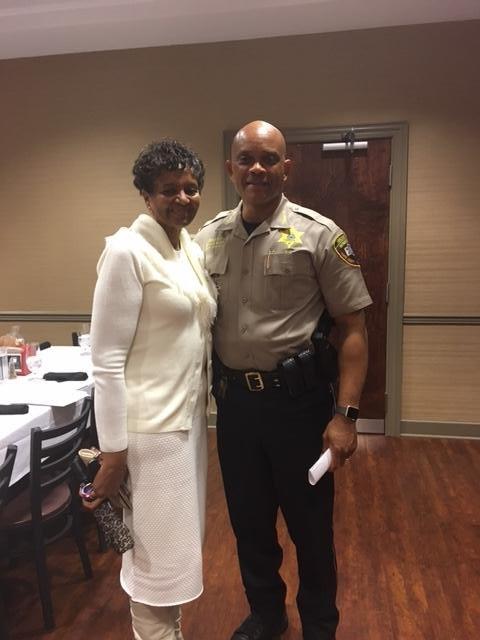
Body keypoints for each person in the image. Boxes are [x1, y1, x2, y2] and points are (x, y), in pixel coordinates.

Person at [195, 121, 372, 640]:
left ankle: (320, 625)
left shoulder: (319, 234)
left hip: (299, 409)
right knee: (249, 525)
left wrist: (346, 416)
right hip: (236, 410)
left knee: (311, 528)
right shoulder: (206, 239)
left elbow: (355, 330)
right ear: (230, 169)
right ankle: (266, 616)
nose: (257, 169)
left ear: (286, 168)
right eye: (246, 159)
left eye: (269, 159)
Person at [84, 140, 217, 640]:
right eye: (168, 190)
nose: (182, 198)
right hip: (147, 438)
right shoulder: (126, 251)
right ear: (144, 194)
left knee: (176, 560)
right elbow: (107, 362)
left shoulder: (188, 250)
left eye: (190, 188)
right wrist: (113, 453)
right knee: (154, 570)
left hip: (185, 430)